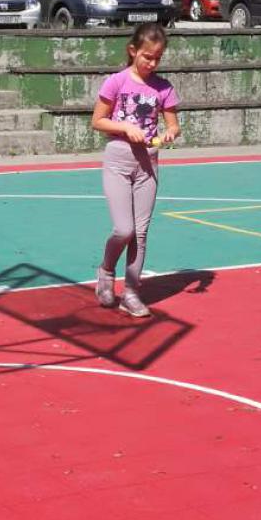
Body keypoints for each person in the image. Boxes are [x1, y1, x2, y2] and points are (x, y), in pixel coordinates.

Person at [91, 22, 181, 319]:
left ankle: (131, 292)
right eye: (147, 57)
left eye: (157, 58)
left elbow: (173, 124)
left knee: (140, 234)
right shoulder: (116, 82)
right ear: (133, 51)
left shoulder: (163, 88)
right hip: (118, 160)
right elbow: (98, 121)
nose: (152, 63)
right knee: (124, 230)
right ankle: (106, 271)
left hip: (148, 165)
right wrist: (125, 127)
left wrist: (170, 133)